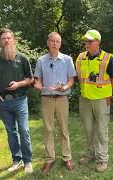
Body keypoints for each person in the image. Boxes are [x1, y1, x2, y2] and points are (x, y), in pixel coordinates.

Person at [0, 28, 34, 173]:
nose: (7, 40)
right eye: (4, 38)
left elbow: (30, 79)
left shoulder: (22, 58)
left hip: (20, 100)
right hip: (4, 102)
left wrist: (18, 84)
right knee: (11, 132)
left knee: (24, 130)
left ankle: (27, 161)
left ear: (13, 40)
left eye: (9, 37)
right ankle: (17, 160)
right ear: (0, 41)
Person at [76, 29, 113, 172]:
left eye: (90, 41)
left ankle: (102, 159)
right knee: (88, 129)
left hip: (101, 100)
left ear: (98, 42)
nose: (86, 44)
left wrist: (108, 94)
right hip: (85, 99)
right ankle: (90, 154)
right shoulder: (80, 58)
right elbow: (79, 77)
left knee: (101, 130)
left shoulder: (108, 58)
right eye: (85, 41)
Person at [34, 32, 76, 173]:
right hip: (47, 99)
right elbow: (37, 79)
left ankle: (67, 157)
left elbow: (71, 80)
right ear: (48, 43)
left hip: (62, 98)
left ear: (60, 44)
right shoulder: (41, 60)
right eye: (52, 41)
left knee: (64, 129)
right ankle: (49, 159)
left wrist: (64, 87)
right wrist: (37, 85)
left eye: (57, 41)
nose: (54, 43)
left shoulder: (67, 59)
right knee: (48, 130)